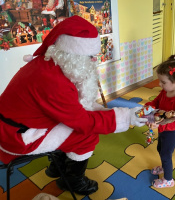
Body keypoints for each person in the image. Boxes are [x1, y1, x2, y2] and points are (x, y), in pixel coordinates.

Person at [0, 16, 147, 196]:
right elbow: (83, 122)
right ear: (73, 53)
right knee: (86, 134)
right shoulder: (53, 82)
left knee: (75, 125)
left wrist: (118, 113)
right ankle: (72, 180)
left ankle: (57, 166)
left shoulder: (48, 64)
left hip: (16, 126)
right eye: (90, 56)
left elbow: (73, 107)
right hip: (15, 137)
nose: (94, 61)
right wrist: (127, 116)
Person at [144, 55, 175, 188]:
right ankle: (164, 167)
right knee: (160, 149)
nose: (160, 84)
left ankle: (169, 179)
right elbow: (156, 102)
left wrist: (160, 124)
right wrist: (149, 107)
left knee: (166, 155)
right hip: (163, 130)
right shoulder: (165, 91)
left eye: (163, 82)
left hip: (172, 133)